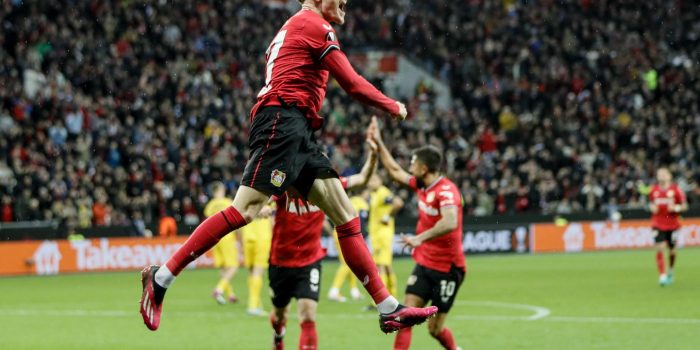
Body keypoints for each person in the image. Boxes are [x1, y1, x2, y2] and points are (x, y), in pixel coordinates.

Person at [139, 0, 437, 333]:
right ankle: (161, 277)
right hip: (282, 121)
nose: (346, 3)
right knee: (246, 209)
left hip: (298, 130)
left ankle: (387, 307)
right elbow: (351, 82)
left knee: (345, 213)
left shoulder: (294, 27)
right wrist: (391, 105)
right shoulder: (315, 25)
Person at [270, 140, 378, 349]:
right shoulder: (286, 185)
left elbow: (362, 178)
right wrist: (263, 208)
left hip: (310, 260)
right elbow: (264, 193)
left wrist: (372, 156)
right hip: (281, 261)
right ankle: (278, 334)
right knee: (279, 314)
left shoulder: (329, 185)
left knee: (308, 315)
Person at [370, 117, 465, 350]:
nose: (409, 166)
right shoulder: (422, 185)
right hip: (425, 263)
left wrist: (419, 239)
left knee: (435, 329)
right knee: (405, 317)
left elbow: (451, 221)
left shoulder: (447, 191)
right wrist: (379, 142)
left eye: (413, 162)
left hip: (448, 269)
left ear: (424, 168)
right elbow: (394, 171)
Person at [366, 174, 403, 307]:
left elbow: (398, 203)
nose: (369, 183)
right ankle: (392, 296)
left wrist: (387, 217)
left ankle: (379, 300)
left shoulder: (383, 192)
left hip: (382, 235)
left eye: (373, 180)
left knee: (379, 267)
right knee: (386, 266)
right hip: (378, 236)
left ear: (380, 180)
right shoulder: (375, 194)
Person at [649, 167, 687, 286]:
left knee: (672, 251)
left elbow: (685, 206)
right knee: (660, 247)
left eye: (664, 174)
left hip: (672, 224)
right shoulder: (653, 190)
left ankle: (670, 270)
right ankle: (662, 276)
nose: (661, 176)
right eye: (659, 174)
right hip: (657, 223)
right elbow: (651, 203)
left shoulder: (676, 190)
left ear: (669, 176)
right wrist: (651, 207)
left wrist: (675, 208)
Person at [327, 190, 368, 302]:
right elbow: (362, 221)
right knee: (346, 263)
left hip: (339, 231)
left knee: (351, 262)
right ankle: (334, 291)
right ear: (364, 192)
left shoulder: (349, 200)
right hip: (348, 234)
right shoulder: (362, 202)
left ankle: (354, 291)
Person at [205, 182, 242, 305]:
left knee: (223, 268)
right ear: (219, 190)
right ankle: (219, 289)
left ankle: (230, 294)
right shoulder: (228, 202)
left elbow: (208, 221)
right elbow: (235, 219)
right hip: (227, 237)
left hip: (215, 238)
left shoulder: (210, 205)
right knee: (233, 267)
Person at [241, 209, 274, 315]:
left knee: (251, 272)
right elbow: (273, 221)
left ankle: (256, 303)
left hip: (247, 236)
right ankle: (253, 306)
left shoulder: (246, 195)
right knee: (258, 272)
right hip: (263, 238)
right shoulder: (270, 198)